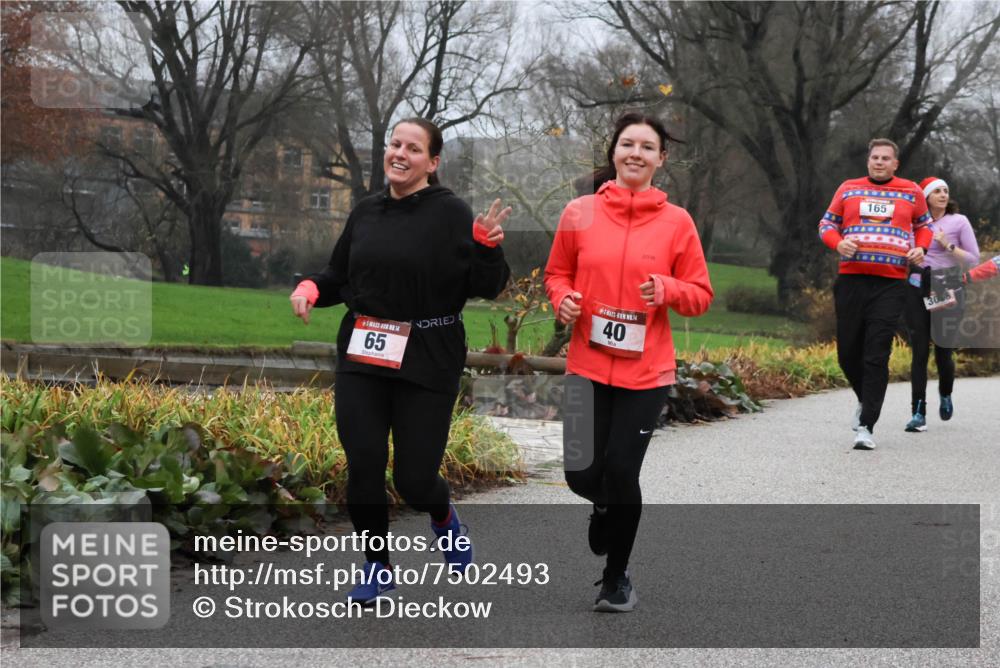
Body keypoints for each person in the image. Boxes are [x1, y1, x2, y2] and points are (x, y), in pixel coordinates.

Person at [289, 118, 511, 605]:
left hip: (427, 357)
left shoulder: (451, 213)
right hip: (365, 353)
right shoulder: (366, 212)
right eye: (395, 144)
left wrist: (487, 247)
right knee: (363, 464)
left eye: (413, 148)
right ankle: (378, 568)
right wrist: (310, 287)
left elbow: (487, 285)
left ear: (432, 162)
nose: (400, 154)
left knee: (413, 480)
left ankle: (443, 515)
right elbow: (338, 274)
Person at [545, 112, 713, 612]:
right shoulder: (579, 212)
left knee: (621, 472)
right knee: (580, 473)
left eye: (647, 147)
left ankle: (616, 577)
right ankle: (601, 506)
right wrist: (563, 300)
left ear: (662, 159)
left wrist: (666, 289)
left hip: (646, 373)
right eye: (627, 144)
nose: (635, 153)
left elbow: (701, 295)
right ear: (613, 152)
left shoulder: (677, 222)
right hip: (586, 365)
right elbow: (557, 274)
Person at [818, 138, 932, 450]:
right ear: (868, 161)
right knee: (847, 354)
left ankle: (866, 424)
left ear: (896, 164)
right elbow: (826, 224)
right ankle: (864, 398)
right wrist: (838, 243)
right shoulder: (848, 188)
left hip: (891, 283)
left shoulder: (911, 191)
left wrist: (920, 247)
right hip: (852, 281)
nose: (879, 162)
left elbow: (925, 227)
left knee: (877, 353)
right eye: (874, 158)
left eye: (885, 158)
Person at [902, 177, 979, 432]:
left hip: (948, 289)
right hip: (917, 287)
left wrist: (948, 245)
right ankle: (918, 411)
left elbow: (973, 259)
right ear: (925, 197)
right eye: (937, 191)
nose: (943, 195)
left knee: (943, 350)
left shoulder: (959, 221)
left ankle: (945, 393)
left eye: (946, 190)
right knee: (920, 352)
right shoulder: (913, 223)